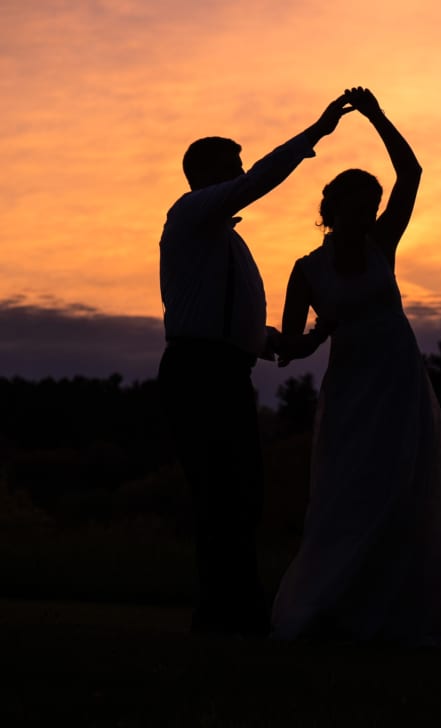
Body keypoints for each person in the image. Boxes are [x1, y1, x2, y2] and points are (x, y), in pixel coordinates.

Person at [271, 87, 441, 646]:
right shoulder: (305, 270)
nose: (365, 213)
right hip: (351, 391)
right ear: (330, 210)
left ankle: (401, 609)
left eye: (371, 203)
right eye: (355, 204)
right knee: (350, 492)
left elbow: (410, 172)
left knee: (405, 489)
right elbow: (298, 345)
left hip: (400, 383)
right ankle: (337, 606)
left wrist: (376, 116)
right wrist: (277, 342)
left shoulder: (383, 244)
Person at [158, 93, 352, 636]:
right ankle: (226, 616)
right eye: (235, 166)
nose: (244, 173)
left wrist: (284, 341)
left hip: (222, 371)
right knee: (224, 494)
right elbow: (260, 180)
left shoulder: (221, 239)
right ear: (210, 175)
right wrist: (316, 132)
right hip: (201, 374)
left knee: (240, 494)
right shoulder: (191, 213)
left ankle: (233, 611)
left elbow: (227, 319)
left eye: (241, 165)